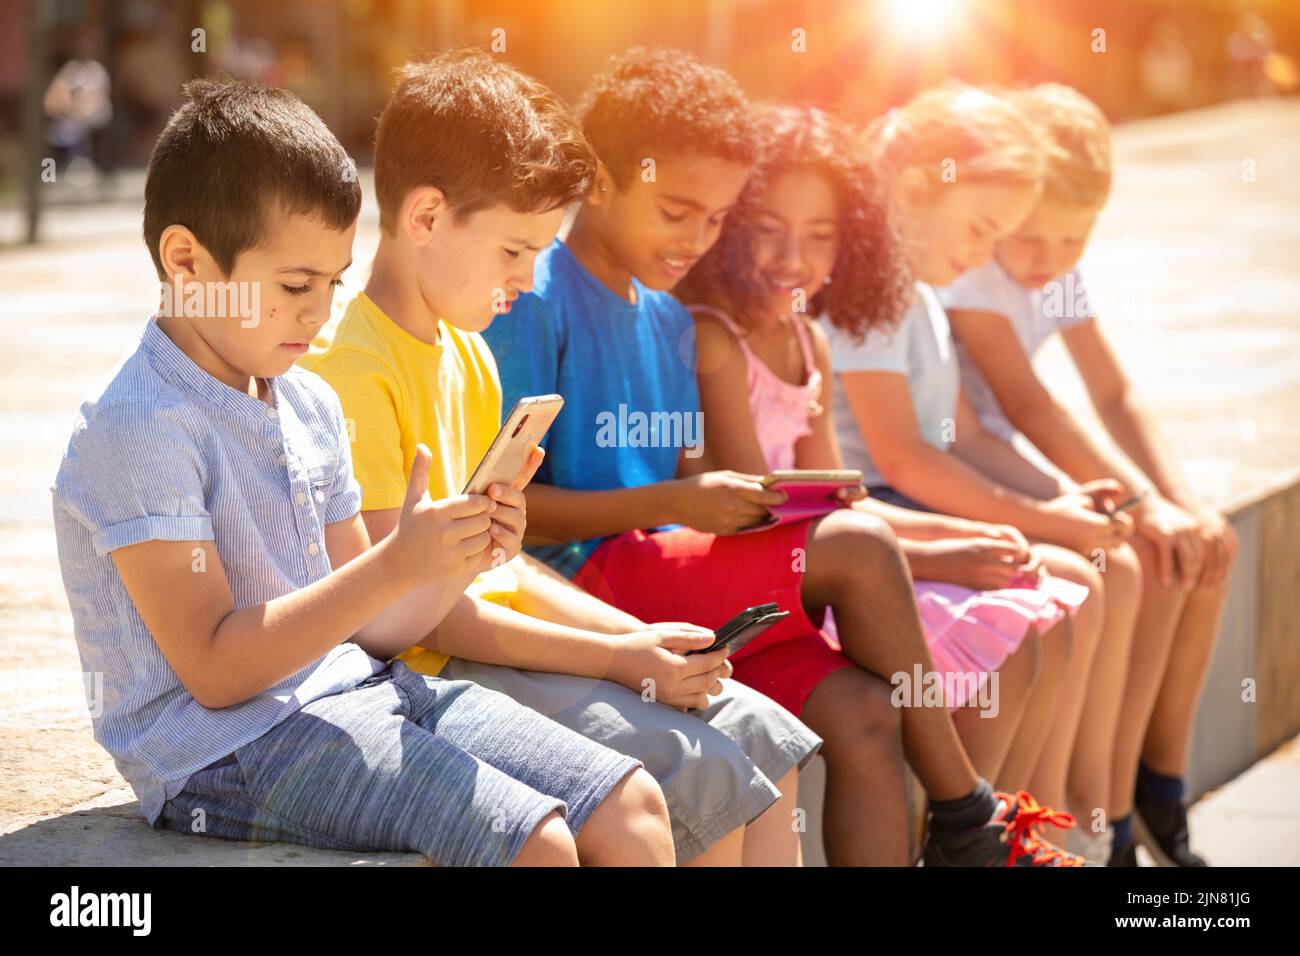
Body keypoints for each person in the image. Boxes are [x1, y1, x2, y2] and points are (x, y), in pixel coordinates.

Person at [50, 77, 673, 867]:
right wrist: (393, 564)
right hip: (225, 750)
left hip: (359, 694)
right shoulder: (141, 427)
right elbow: (213, 669)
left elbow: (376, 627)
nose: (318, 313)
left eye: (332, 283)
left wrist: (455, 557)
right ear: (187, 260)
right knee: (537, 843)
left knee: (632, 804)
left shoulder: (306, 401)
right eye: (295, 286)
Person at [485, 49, 1086, 866]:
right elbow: (503, 515)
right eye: (676, 210)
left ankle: (964, 824)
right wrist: (684, 504)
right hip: (580, 583)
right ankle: (967, 817)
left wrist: (767, 498)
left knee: (866, 710)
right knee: (861, 546)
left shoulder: (665, 318)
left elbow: (683, 479)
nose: (695, 238)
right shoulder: (536, 299)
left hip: (664, 566)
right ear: (596, 179)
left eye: (713, 219)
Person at [302, 49, 820, 866]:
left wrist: (645, 637)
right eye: (515, 251)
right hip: (444, 672)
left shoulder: (467, 355)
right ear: (427, 218)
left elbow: (504, 566)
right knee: (713, 774)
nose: (530, 277)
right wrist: (617, 657)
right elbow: (413, 613)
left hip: (508, 638)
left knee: (766, 736)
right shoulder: (346, 373)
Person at [940, 83, 1236, 866]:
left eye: (1077, 240)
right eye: (1034, 239)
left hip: (1008, 454)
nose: (1052, 262)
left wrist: (1178, 499)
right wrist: (1139, 504)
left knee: (1197, 550)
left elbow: (1111, 391)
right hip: (976, 460)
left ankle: (1156, 783)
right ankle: (1103, 816)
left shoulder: (1058, 271)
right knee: (1126, 560)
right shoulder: (973, 276)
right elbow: (1032, 406)